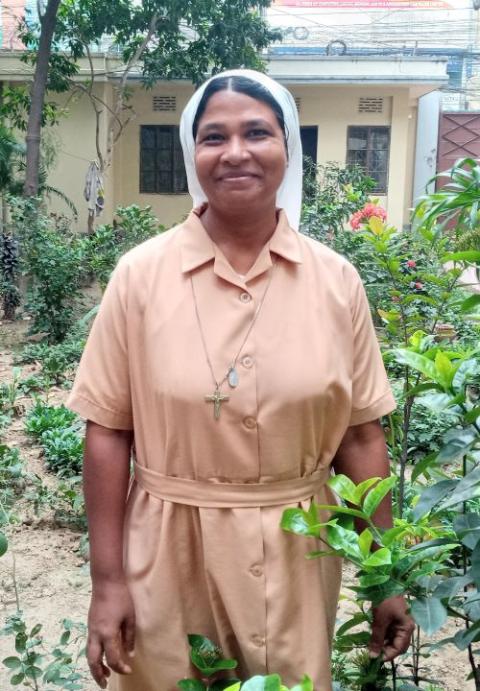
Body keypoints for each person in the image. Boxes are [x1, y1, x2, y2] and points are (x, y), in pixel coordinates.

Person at [67, 68, 414, 691]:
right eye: (213, 136)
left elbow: (360, 438)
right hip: (169, 550)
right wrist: (108, 582)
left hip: (298, 551)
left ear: (288, 149)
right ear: (191, 152)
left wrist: (383, 577)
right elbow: (108, 431)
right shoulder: (140, 278)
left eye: (257, 132)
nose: (235, 153)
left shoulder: (336, 284)